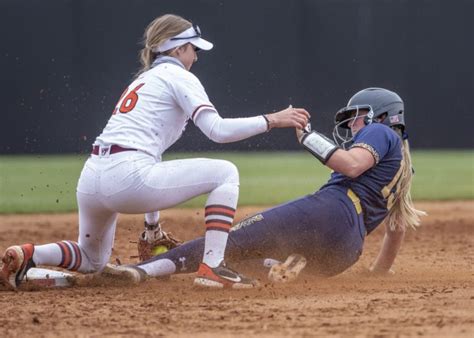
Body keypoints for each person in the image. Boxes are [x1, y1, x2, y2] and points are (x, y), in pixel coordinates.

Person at [0, 14, 309, 290]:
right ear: (177, 49)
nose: (196, 57)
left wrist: (152, 225)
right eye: (193, 49)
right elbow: (217, 130)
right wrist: (273, 120)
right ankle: (212, 267)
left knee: (91, 258)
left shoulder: (144, 80)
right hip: (127, 176)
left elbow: (151, 154)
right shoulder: (179, 76)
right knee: (226, 172)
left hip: (93, 176)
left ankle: (29, 254)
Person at [100, 87, 426, 286]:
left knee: (226, 242)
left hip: (331, 211)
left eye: (358, 117)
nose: (352, 125)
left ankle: (138, 272)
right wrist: (379, 272)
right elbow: (396, 228)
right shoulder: (404, 169)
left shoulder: (383, 133)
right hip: (346, 251)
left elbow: (352, 165)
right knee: (241, 260)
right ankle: (273, 265)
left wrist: (308, 137)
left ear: (382, 116)